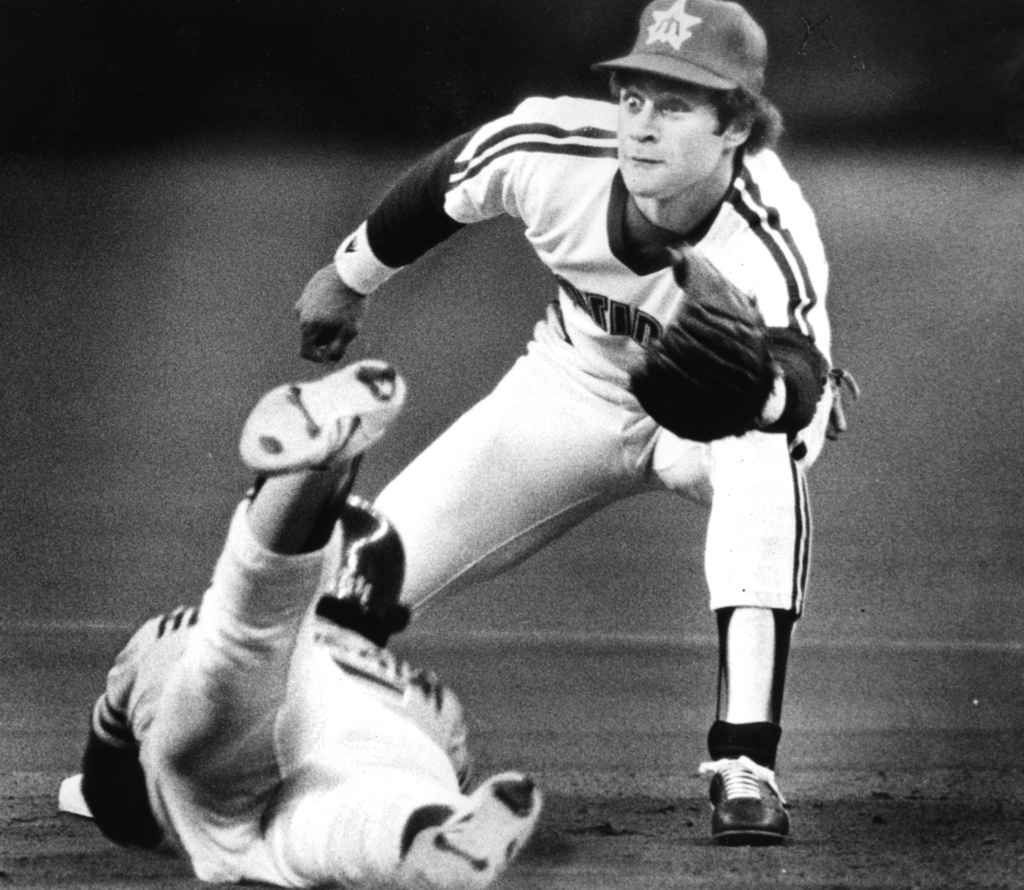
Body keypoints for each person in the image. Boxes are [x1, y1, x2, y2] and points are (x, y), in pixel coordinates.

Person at [294, 0, 856, 845]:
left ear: (736, 125)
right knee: (358, 582)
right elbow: (449, 181)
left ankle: (745, 765)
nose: (642, 124)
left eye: (674, 105)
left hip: (714, 428)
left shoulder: (769, 233)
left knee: (764, 451)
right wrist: (348, 277)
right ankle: (249, 750)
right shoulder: (552, 150)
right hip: (575, 387)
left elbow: (804, 385)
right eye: (634, 96)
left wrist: (759, 397)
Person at [58, 359, 542, 889]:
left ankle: (314, 473)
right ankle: (425, 828)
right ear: (393, 613)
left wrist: (169, 828)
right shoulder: (433, 699)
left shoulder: (169, 630)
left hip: (228, 741)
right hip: (387, 737)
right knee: (353, 821)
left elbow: (110, 792)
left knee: (246, 638)